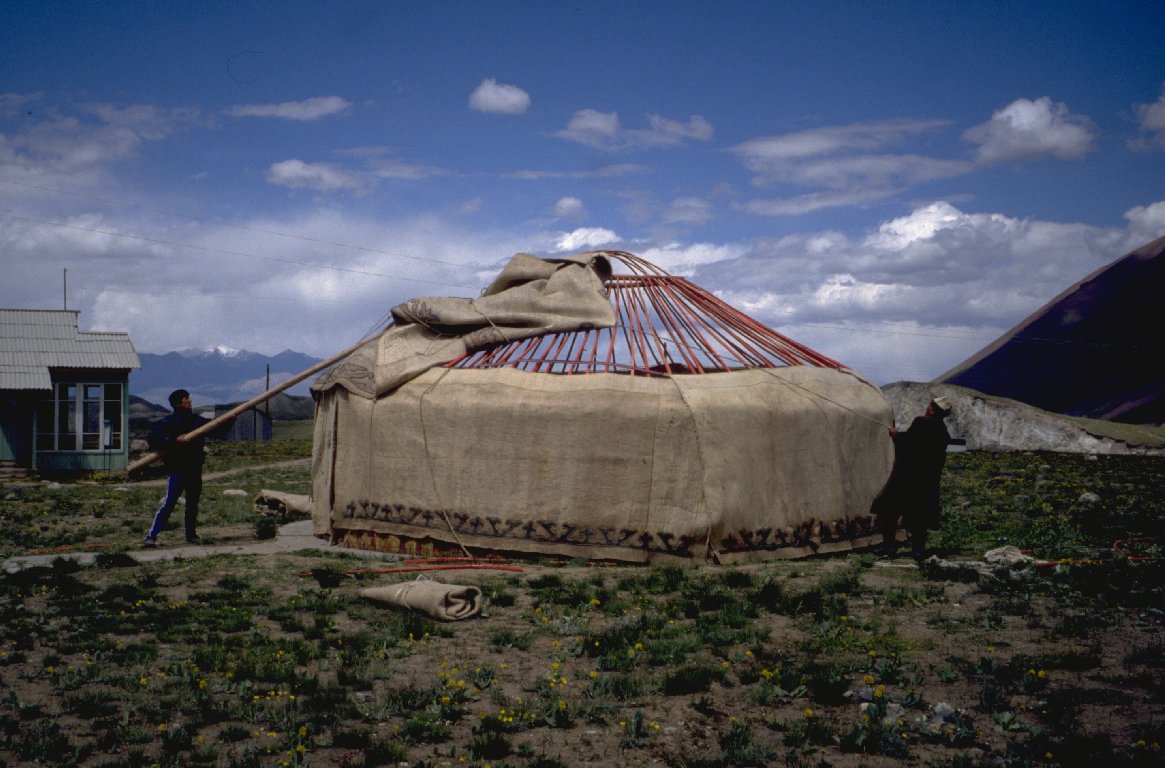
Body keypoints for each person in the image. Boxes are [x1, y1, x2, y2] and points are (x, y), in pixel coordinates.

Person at [143, 389, 231, 547]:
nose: (190, 401)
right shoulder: (168, 422)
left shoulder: (196, 420)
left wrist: (230, 420)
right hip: (177, 470)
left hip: (194, 469)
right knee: (169, 504)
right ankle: (152, 536)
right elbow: (154, 439)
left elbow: (217, 431)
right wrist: (174, 439)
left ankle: (191, 535)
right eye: (186, 399)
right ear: (178, 403)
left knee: (192, 504)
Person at [872, 396, 955, 559]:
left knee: (889, 509)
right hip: (927, 479)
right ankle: (918, 550)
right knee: (920, 514)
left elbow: (908, 442)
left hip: (907, 475)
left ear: (931, 409)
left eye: (929, 405)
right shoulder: (943, 431)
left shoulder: (921, 422)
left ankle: (889, 547)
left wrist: (895, 435)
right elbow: (919, 443)